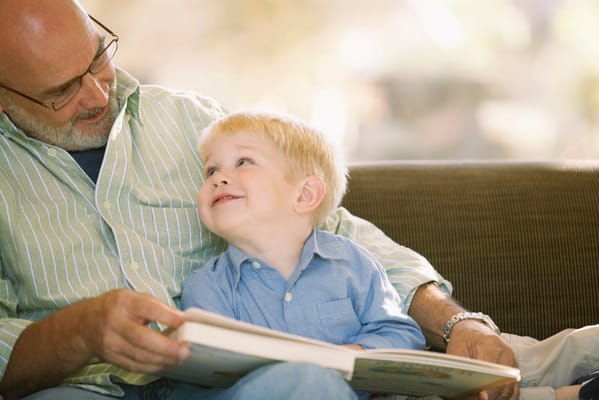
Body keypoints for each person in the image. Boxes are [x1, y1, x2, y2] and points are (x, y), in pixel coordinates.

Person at [0, 1, 596, 399]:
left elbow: (334, 230)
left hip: (354, 367)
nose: (99, 92)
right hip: (101, 387)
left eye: (99, 57)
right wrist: (73, 334)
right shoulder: (216, 283)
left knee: (530, 356)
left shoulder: (188, 120)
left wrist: (453, 322)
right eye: (60, 92)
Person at [180, 111, 426, 398]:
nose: (219, 179)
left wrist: (343, 357)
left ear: (305, 195)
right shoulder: (207, 287)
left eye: (243, 162)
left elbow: (402, 335)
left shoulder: (353, 264)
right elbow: (209, 375)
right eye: (211, 170)